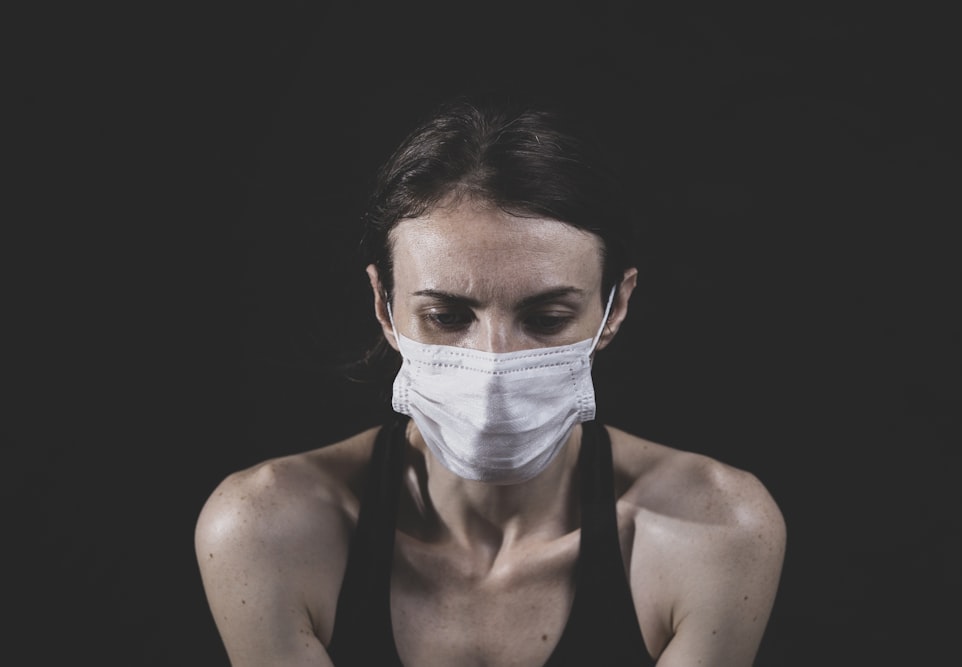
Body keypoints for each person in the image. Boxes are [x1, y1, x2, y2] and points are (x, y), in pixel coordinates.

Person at [195, 90, 786, 666]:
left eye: (547, 318)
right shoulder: (266, 530)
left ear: (615, 308)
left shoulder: (714, 530)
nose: (495, 363)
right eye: (447, 317)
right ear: (384, 308)